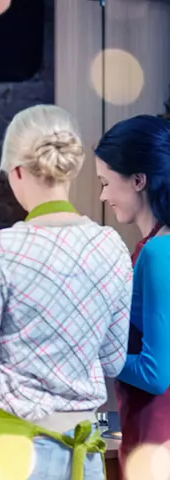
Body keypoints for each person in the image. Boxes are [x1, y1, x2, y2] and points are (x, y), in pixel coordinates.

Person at [0, 105, 133, 479]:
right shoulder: (110, 246)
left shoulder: (1, 248)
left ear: (17, 171)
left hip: (8, 450)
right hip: (80, 449)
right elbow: (113, 362)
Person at [95, 115, 170, 474]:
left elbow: (156, 374)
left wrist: (92, 348)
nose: (103, 195)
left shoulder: (158, 253)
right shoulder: (153, 248)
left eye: (106, 182)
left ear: (138, 180)